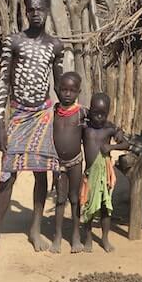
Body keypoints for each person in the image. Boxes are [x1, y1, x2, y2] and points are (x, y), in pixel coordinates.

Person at [0, 0, 64, 259]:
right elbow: (4, 81)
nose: (35, 14)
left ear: (47, 10)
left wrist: (69, 115)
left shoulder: (56, 46)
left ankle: (35, 228)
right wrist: (0, 121)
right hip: (19, 114)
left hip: (43, 114)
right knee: (7, 172)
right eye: (31, 9)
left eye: (40, 9)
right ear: (25, 11)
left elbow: (60, 83)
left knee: (40, 171)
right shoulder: (14, 41)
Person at [80, 92, 129, 253]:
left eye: (103, 114)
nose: (99, 117)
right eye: (95, 113)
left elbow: (126, 144)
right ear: (90, 111)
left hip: (104, 176)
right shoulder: (85, 128)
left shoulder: (109, 129)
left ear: (108, 113)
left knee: (104, 208)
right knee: (88, 207)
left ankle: (105, 238)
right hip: (89, 174)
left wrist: (112, 147)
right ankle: (88, 239)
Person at [51, 71, 86, 254]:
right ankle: (57, 236)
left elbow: (95, 131)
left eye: (71, 90)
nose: (67, 94)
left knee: (74, 199)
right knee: (60, 199)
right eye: (63, 89)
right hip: (58, 163)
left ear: (78, 91)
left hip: (76, 162)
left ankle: (75, 236)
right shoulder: (54, 111)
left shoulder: (82, 113)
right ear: (58, 90)